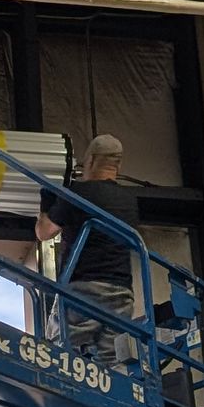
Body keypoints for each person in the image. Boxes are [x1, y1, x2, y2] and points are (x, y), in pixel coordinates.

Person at [34, 133, 142, 338]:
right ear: (118, 165)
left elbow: (43, 232)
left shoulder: (78, 194)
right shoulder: (129, 200)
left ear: (90, 160)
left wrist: (46, 204)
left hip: (83, 291)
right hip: (121, 294)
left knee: (63, 350)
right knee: (113, 354)